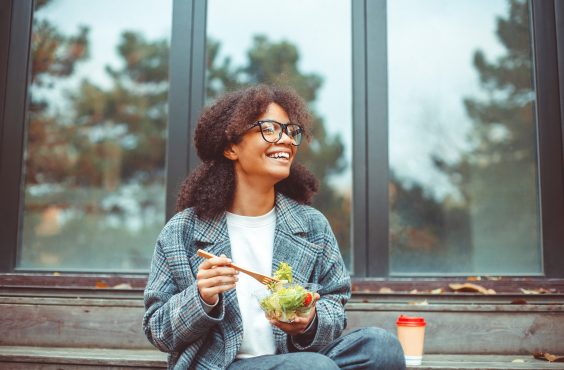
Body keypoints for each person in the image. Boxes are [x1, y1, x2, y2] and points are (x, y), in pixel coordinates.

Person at [143, 84, 405, 370]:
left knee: (381, 347)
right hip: (224, 366)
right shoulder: (183, 230)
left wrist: (310, 320)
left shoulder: (311, 225)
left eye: (292, 132)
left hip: (298, 360)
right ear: (231, 147)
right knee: (313, 368)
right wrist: (202, 297)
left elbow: (334, 306)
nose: (286, 140)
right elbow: (159, 331)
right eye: (270, 129)